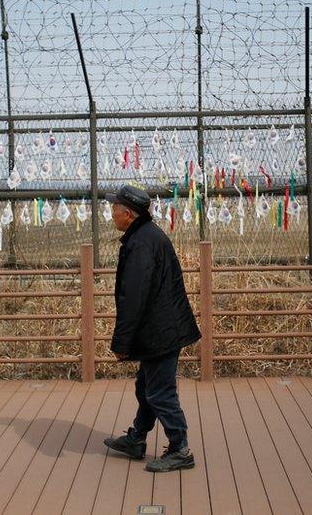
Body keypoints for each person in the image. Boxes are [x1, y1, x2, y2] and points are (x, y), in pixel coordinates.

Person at [101, 184, 201, 472]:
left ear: (129, 214)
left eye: (115, 209)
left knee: (160, 391)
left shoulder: (141, 243)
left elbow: (133, 296)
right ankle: (137, 439)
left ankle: (180, 449)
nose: (112, 214)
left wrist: (121, 343)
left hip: (161, 330)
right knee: (147, 386)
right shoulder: (145, 236)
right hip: (161, 327)